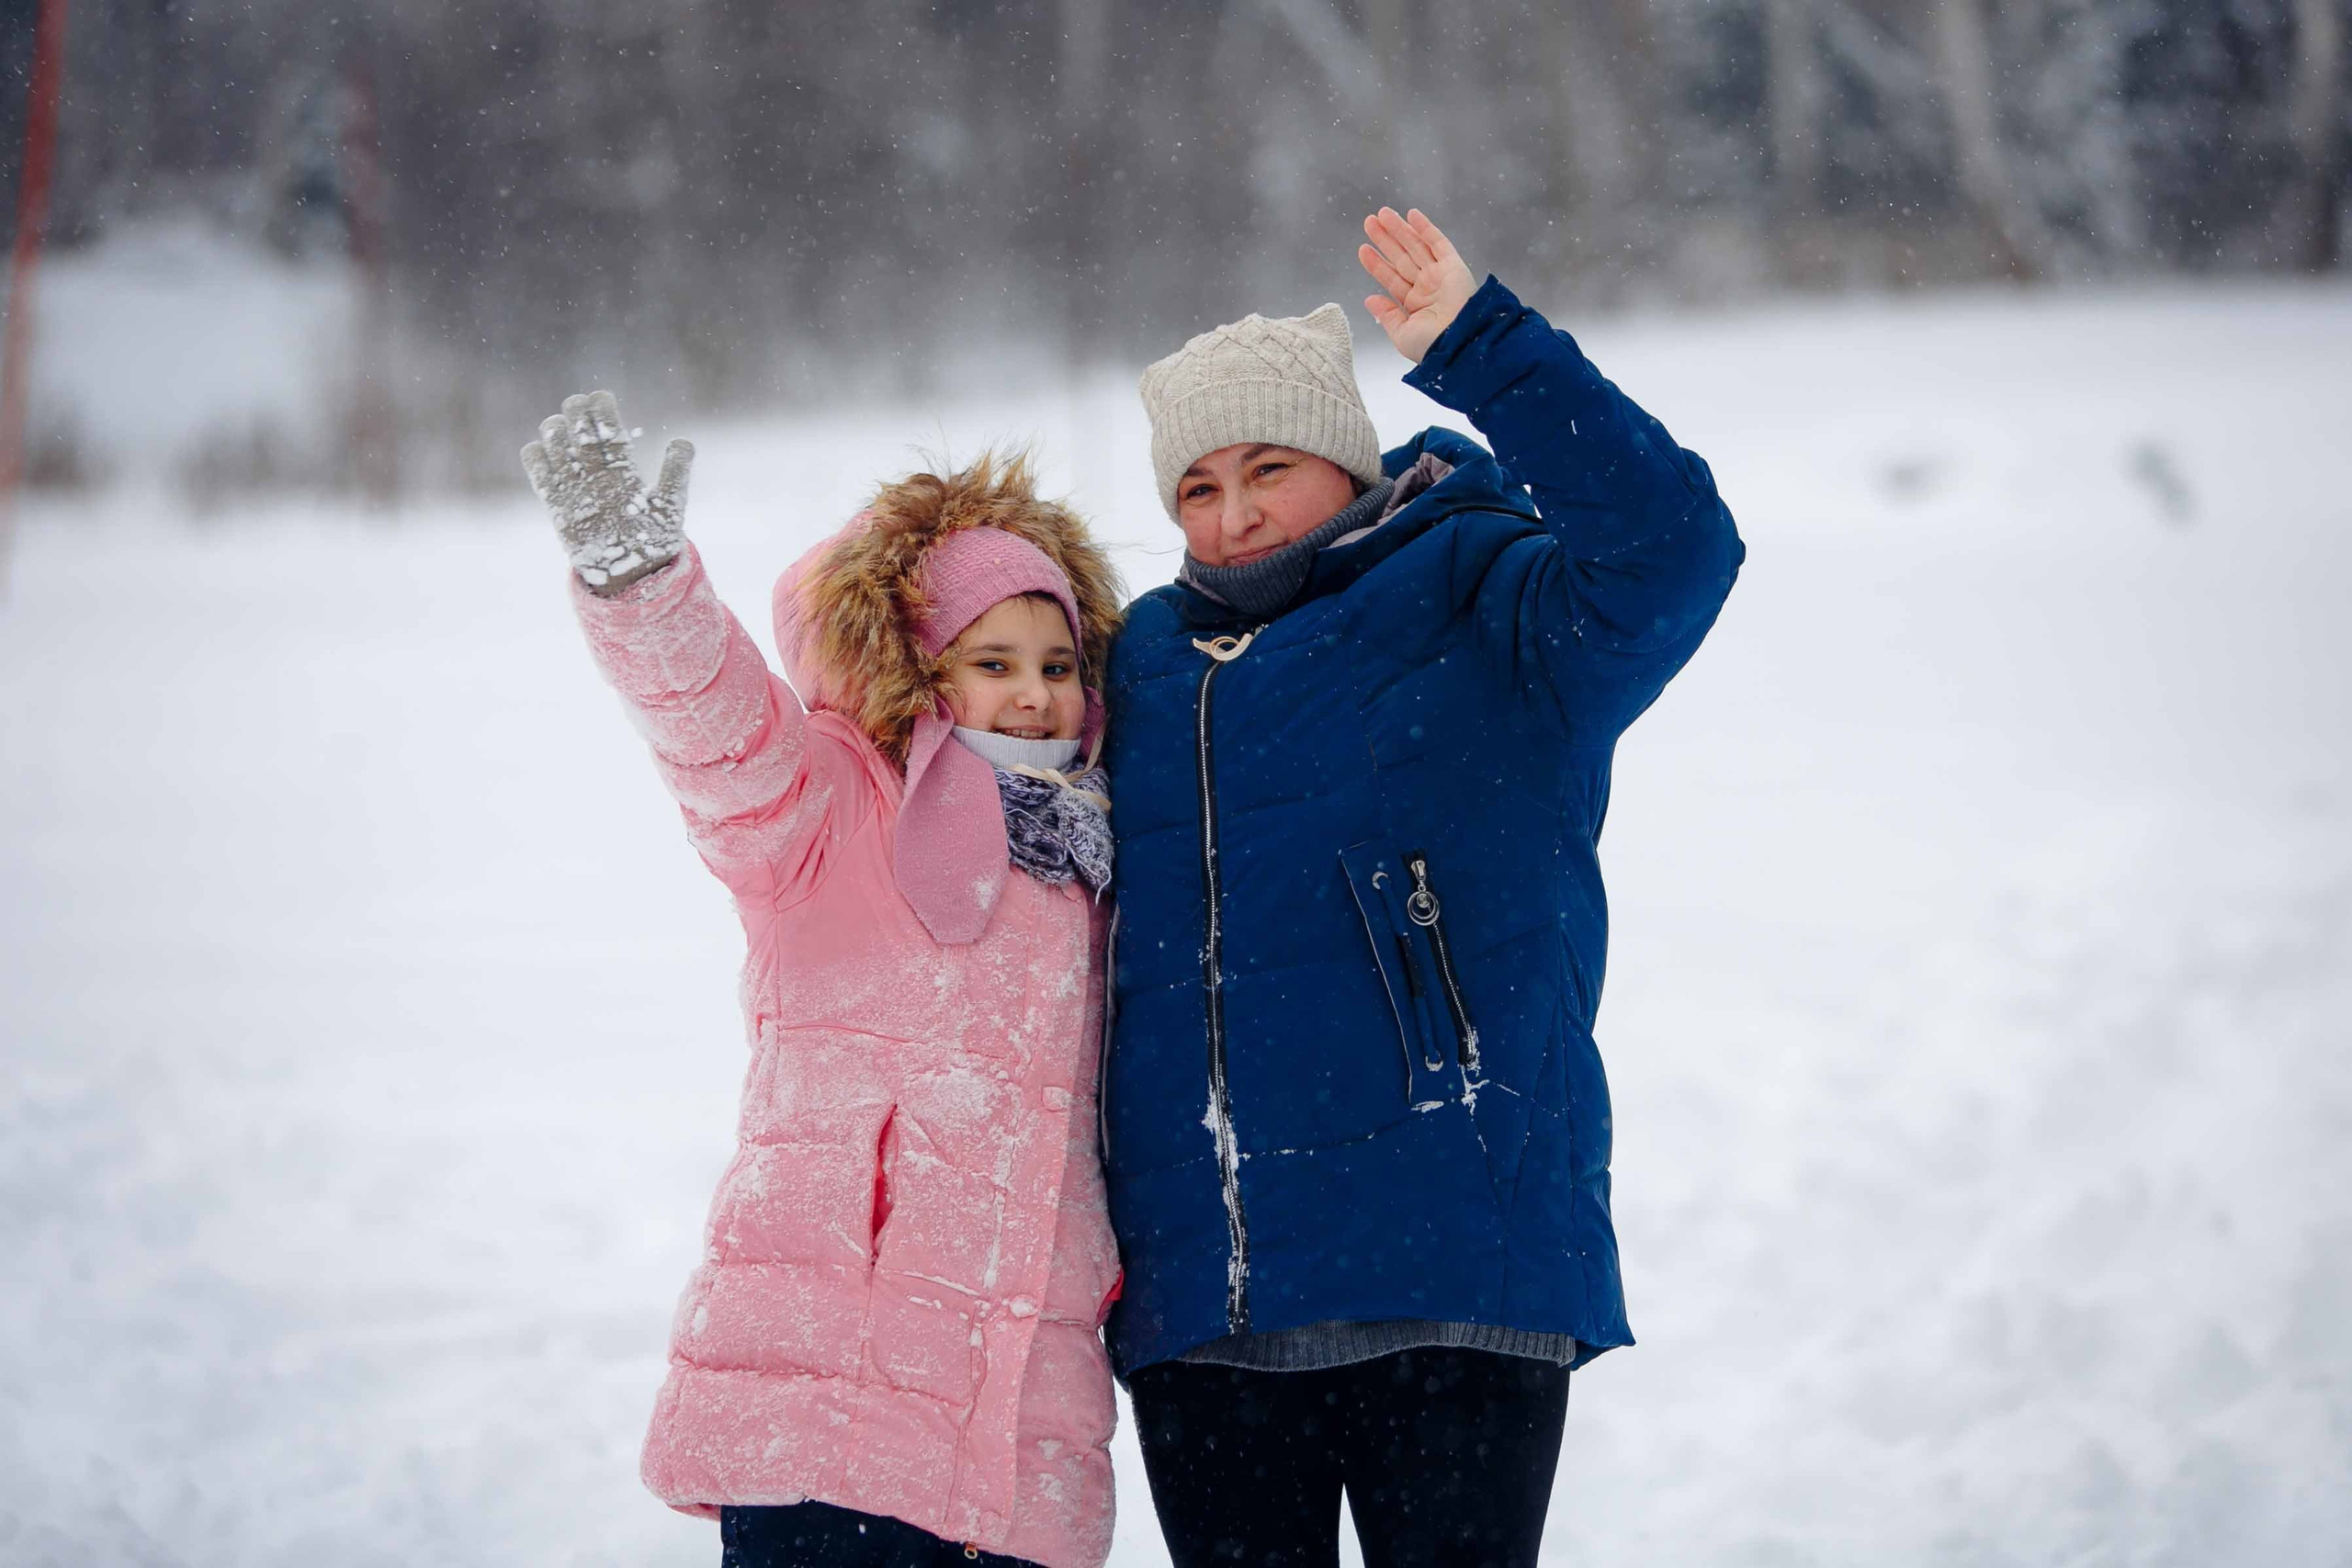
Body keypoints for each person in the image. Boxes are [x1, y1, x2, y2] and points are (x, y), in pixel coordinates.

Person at [1100, 208, 1745, 1566]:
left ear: (1348, 456)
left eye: (1268, 466)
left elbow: (1676, 550)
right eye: (1196, 487)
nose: (1234, 514)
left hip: (1452, 1258)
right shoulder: (1137, 668)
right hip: (1206, 1297)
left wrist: (1488, 350)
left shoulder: (1491, 599)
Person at [521, 401, 1128, 1568]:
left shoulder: (1094, 853)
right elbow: (718, 737)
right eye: (990, 663)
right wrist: (647, 595)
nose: (1033, 694)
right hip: (825, 1389)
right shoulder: (834, 809)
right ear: (921, 671)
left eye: (1056, 665)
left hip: (1019, 1418)